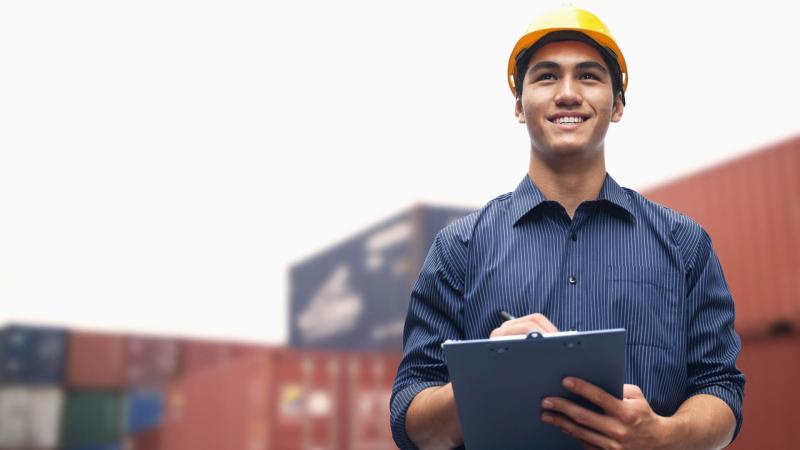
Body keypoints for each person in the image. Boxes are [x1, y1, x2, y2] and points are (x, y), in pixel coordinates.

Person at [390, 5, 744, 450]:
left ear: (616, 106)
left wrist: (665, 435)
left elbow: (721, 390)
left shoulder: (684, 244)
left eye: (590, 76)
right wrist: (484, 373)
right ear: (519, 106)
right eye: (546, 76)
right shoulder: (458, 248)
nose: (568, 93)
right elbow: (410, 419)